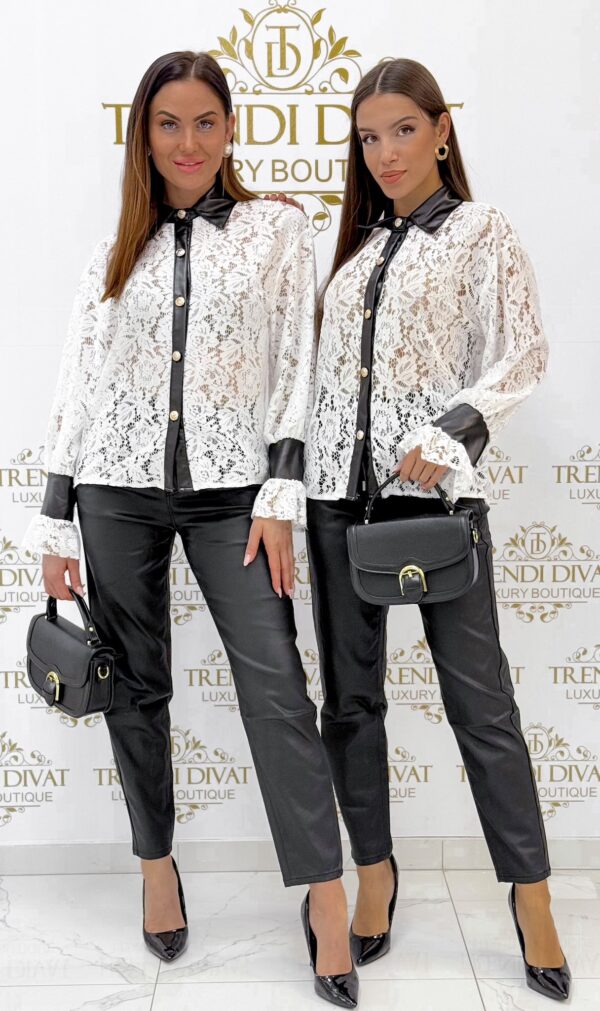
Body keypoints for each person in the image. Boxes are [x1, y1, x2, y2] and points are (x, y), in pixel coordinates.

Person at [23, 51, 358, 1006]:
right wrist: (53, 522)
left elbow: (297, 363)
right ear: (144, 133)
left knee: (277, 688)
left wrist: (280, 493)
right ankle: (156, 864)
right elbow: (77, 383)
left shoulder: (276, 231)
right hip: (113, 489)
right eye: (168, 122)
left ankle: (324, 894)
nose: (188, 141)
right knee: (137, 688)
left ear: (230, 128)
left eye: (206, 120)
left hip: (234, 495)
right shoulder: (111, 249)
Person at [299, 57, 570, 1002]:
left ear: (441, 129)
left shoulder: (481, 231)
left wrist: (450, 430)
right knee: (350, 703)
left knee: (482, 705)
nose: (386, 153)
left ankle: (533, 897)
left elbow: (524, 349)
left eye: (404, 131)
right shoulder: (356, 250)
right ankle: (375, 875)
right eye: (369, 138)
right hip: (338, 502)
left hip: (435, 498)